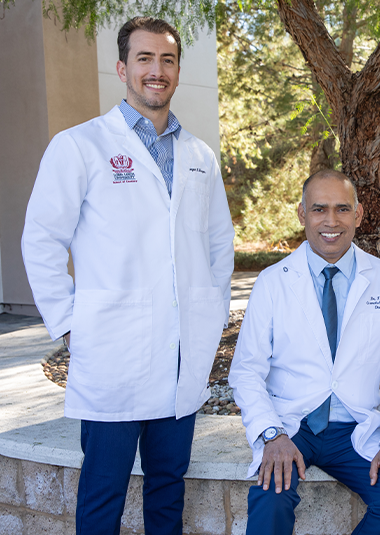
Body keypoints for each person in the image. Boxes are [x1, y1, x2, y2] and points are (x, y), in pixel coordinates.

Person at [21, 17, 234, 534]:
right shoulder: (80, 146)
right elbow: (42, 239)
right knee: (103, 491)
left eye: (166, 60)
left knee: (168, 486)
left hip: (183, 352)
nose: (156, 71)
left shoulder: (200, 155)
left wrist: (210, 314)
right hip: (112, 353)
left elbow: (218, 244)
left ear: (178, 70)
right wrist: (69, 323)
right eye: (144, 58)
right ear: (122, 68)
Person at [228, 169, 380, 535]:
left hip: (355, 425)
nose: (331, 221)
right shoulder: (273, 282)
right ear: (302, 214)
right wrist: (271, 434)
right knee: (270, 500)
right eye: (319, 209)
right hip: (292, 424)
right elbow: (245, 371)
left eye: (342, 209)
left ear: (358, 214)